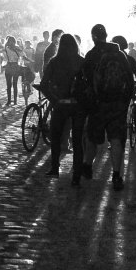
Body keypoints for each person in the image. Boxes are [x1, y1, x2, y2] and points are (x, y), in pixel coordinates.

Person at [79, 24, 136, 190]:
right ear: (107, 35)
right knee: (116, 139)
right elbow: (130, 80)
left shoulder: (91, 55)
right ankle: (117, 176)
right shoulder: (120, 55)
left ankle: (87, 166)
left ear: (93, 37)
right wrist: (125, 102)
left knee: (92, 137)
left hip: (98, 105)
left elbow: (86, 79)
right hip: (118, 105)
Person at [39, 33, 85, 178]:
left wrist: (54, 100)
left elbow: (43, 85)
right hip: (77, 106)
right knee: (77, 140)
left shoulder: (54, 62)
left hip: (60, 105)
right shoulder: (82, 62)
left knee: (56, 138)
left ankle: (54, 168)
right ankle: (77, 174)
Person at [2, 35, 25, 105]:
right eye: (10, 42)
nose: (11, 43)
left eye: (12, 42)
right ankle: (11, 101)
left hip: (10, 66)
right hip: (14, 66)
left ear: (14, 42)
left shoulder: (8, 48)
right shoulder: (8, 48)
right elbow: (23, 56)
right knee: (11, 85)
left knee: (12, 85)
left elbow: (22, 56)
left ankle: (13, 101)